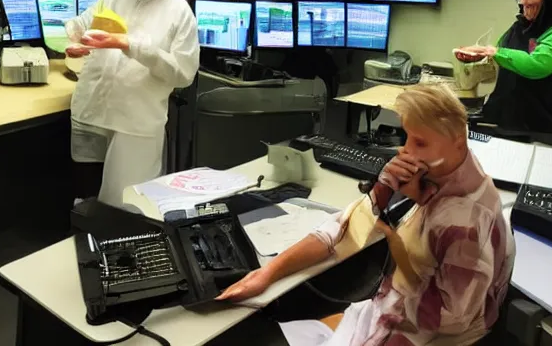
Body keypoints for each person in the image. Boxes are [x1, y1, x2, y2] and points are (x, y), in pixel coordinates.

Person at [217, 84, 515, 346]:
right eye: (407, 137)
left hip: (421, 334)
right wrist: (268, 273)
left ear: (458, 143)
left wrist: (400, 257)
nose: (406, 151)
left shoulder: (465, 222)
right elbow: (348, 228)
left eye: (419, 142)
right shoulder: (434, 171)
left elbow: (453, 319)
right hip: (385, 313)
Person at [65, 0, 200, 207]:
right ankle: (83, 244)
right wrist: (76, 39)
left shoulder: (178, 11)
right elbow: (82, 24)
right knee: (85, 200)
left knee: (123, 206)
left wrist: (129, 44)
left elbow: (182, 73)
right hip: (91, 111)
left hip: (135, 124)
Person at [456, 0, 552, 136]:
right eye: (523, 5)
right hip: (508, 110)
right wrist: (476, 57)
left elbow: (537, 65)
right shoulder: (518, 26)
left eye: (532, 6)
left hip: (540, 115)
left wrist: (495, 52)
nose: (526, 12)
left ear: (548, 7)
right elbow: (497, 57)